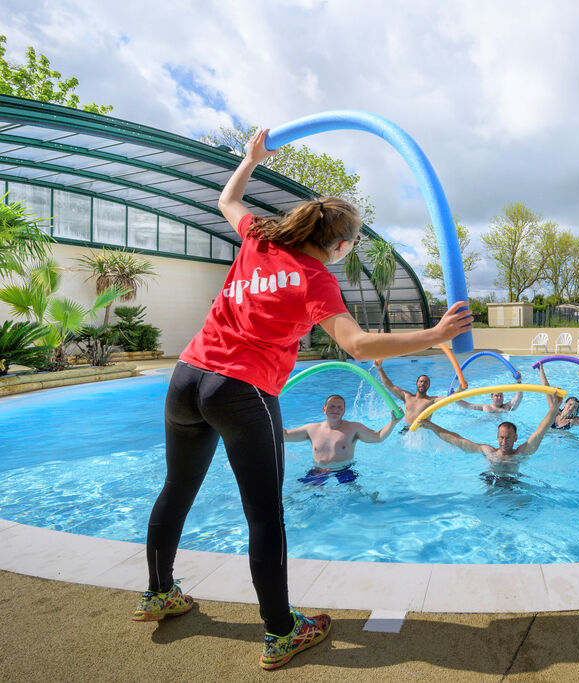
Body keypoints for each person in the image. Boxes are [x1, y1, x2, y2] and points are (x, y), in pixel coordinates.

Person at [133, 128, 472, 671]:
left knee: (176, 488)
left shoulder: (261, 239)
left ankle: (158, 593)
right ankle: (281, 631)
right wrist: (432, 337)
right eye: (352, 244)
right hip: (240, 390)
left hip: (187, 376)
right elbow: (357, 345)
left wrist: (250, 159)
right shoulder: (316, 280)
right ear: (339, 245)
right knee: (265, 514)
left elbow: (227, 200)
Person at [418, 397, 561, 481]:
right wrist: (431, 426)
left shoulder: (520, 453)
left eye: (508, 438)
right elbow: (457, 440)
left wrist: (555, 408)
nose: (504, 442)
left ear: (515, 438)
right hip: (490, 481)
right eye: (501, 438)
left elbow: (540, 432)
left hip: (512, 484)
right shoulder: (488, 451)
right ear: (497, 437)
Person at [285, 394, 401, 485]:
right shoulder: (311, 429)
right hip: (318, 471)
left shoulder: (354, 428)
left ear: (344, 411)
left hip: (344, 470)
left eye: (340, 407)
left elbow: (378, 437)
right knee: (298, 495)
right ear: (324, 409)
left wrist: (392, 422)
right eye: (332, 406)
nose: (336, 409)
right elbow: (285, 435)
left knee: (360, 494)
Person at [374, 360, 442, 430]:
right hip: (406, 431)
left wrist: (452, 394)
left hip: (421, 433)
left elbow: (447, 399)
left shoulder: (431, 401)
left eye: (426, 382)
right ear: (416, 383)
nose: (423, 384)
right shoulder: (407, 397)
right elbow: (390, 386)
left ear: (428, 386)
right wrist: (380, 369)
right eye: (421, 381)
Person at [456, 382, 523, 413]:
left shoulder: (507, 406)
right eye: (496, 396)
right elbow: (467, 405)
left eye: (501, 395)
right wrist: (459, 390)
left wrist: (519, 381)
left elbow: (519, 396)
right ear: (492, 397)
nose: (499, 398)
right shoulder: (485, 407)